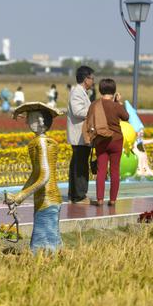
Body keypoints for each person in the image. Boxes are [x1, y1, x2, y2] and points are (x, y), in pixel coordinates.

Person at [6, 101, 64, 253]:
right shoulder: (38, 143)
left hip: (48, 199)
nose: (26, 121)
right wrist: (19, 196)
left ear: (40, 121)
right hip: (44, 199)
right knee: (51, 241)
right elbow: (35, 174)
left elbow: (44, 176)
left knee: (42, 243)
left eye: (31, 118)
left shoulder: (42, 143)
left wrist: (20, 197)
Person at [87, 79, 129, 206]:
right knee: (115, 171)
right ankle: (113, 200)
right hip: (116, 140)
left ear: (100, 90)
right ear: (114, 91)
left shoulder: (94, 104)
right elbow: (126, 117)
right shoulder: (116, 106)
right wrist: (118, 103)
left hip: (101, 140)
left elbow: (89, 119)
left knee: (101, 170)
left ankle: (100, 199)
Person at [67, 66, 94, 204]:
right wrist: (93, 111)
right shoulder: (77, 92)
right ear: (85, 79)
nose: (93, 81)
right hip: (79, 136)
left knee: (77, 165)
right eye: (92, 78)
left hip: (81, 135)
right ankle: (79, 196)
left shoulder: (82, 92)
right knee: (80, 166)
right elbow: (78, 111)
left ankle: (74, 194)